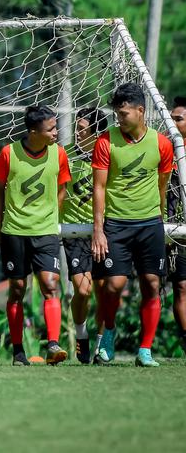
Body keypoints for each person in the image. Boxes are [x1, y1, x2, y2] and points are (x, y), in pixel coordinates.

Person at [91, 83, 174, 367]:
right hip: (116, 225)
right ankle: (109, 333)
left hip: (150, 224)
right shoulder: (105, 142)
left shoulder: (162, 144)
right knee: (113, 286)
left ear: (141, 111)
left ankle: (145, 349)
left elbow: (162, 185)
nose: (119, 118)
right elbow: (99, 188)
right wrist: (98, 230)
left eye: (124, 113)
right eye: (117, 113)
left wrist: (160, 222)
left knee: (152, 284)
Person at [0, 105, 71, 366]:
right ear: (34, 132)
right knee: (17, 289)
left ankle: (53, 345)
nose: (56, 133)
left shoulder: (59, 154)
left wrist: (50, 215)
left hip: (45, 232)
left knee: (50, 284)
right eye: (51, 129)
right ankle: (18, 352)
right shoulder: (9, 153)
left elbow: (62, 188)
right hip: (14, 232)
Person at [61, 108, 106, 363]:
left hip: (104, 231)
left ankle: (101, 347)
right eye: (76, 128)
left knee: (106, 292)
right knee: (83, 289)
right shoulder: (65, 154)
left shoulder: (108, 154)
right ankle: (81, 336)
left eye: (82, 129)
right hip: (74, 230)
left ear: (96, 132)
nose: (77, 133)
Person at [167, 98, 185, 353]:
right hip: (176, 230)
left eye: (178, 119)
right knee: (181, 286)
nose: (172, 124)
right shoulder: (165, 151)